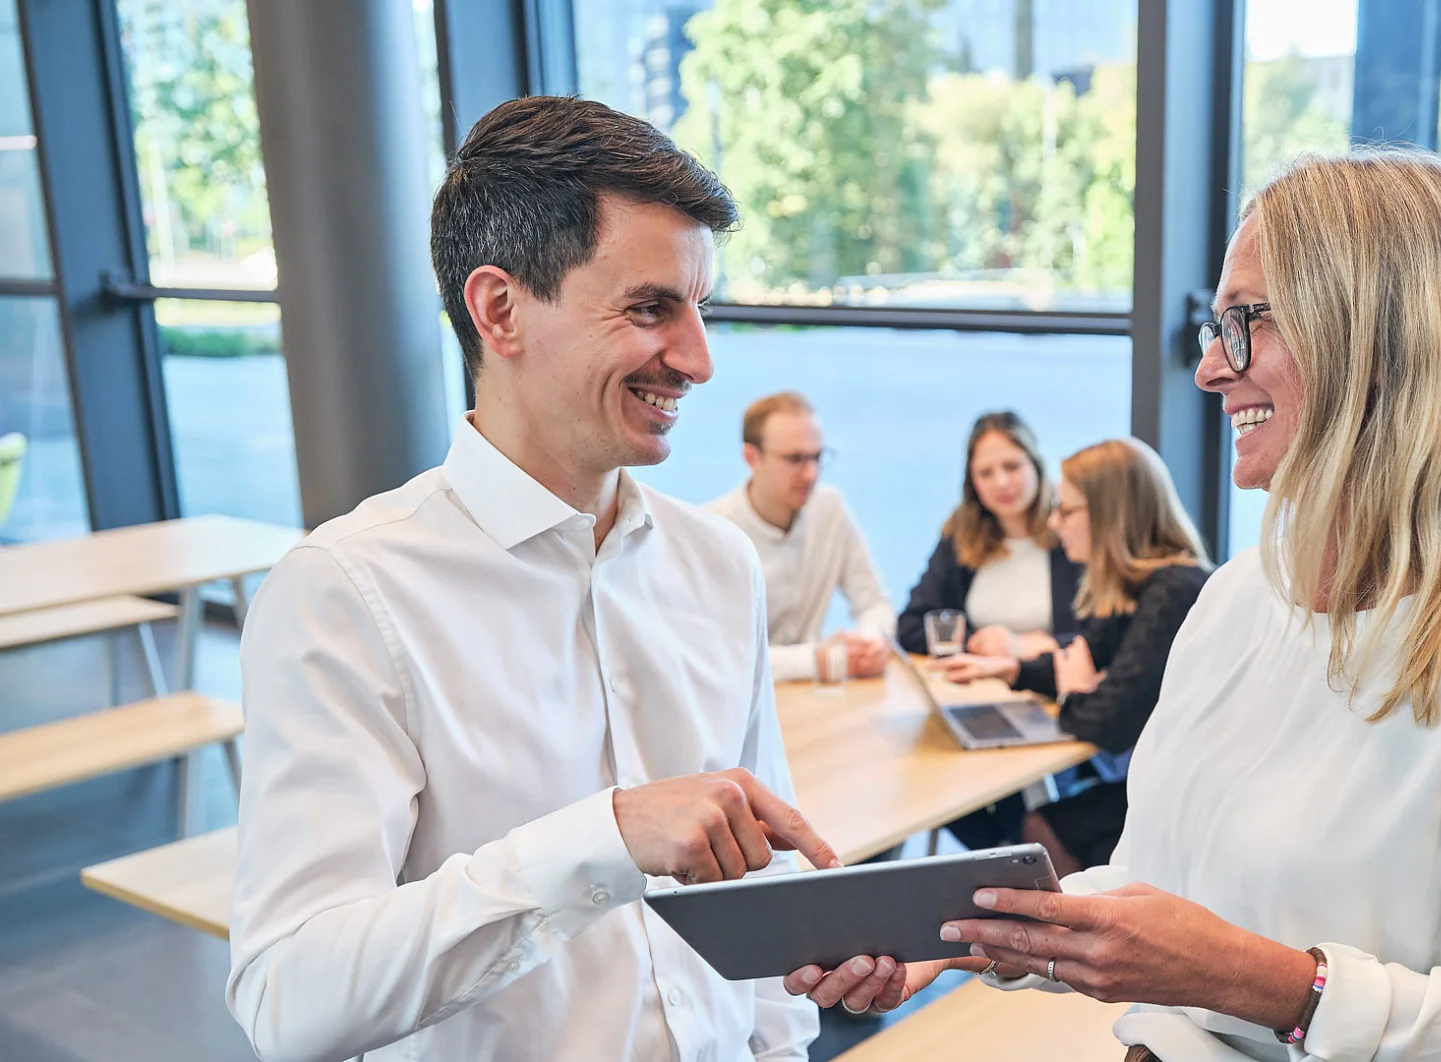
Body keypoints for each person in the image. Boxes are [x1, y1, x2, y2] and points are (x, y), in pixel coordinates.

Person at [788, 149, 1441, 1062]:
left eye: (1246, 322)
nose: (1210, 369)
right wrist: (953, 934)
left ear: (1382, 335)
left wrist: (1257, 980)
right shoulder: (1241, 598)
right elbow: (1152, 886)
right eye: (1215, 326)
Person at [226, 96, 843, 1062]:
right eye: (650, 308)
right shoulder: (346, 592)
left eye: (700, 308)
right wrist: (604, 839)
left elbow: (753, 882)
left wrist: (799, 1004)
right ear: (499, 310)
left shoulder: (718, 564)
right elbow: (290, 996)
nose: (699, 359)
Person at [936, 437, 1210, 877]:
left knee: (1040, 826)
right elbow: (1082, 658)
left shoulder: (1174, 590)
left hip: (1192, 793)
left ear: (1109, 515)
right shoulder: (1134, 586)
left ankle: (1066, 940)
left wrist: (1076, 691)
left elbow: (1105, 723)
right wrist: (1014, 669)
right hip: (1161, 774)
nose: (1053, 521)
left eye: (1065, 510)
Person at [707, 391, 895, 683]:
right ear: (751, 457)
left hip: (813, 699)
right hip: (741, 708)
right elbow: (716, 655)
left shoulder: (830, 510)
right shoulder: (714, 531)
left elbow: (874, 602)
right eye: (795, 459)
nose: (811, 474)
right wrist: (816, 660)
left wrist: (870, 641)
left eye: (817, 457)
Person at [897, 411, 1082, 660]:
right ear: (972, 482)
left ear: (1036, 465)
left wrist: (1030, 647)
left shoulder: (1073, 531)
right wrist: (980, 644)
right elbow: (911, 626)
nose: (1002, 483)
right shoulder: (961, 533)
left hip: (1054, 685)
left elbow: (1102, 636)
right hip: (978, 685)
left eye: (1012, 466)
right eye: (985, 473)